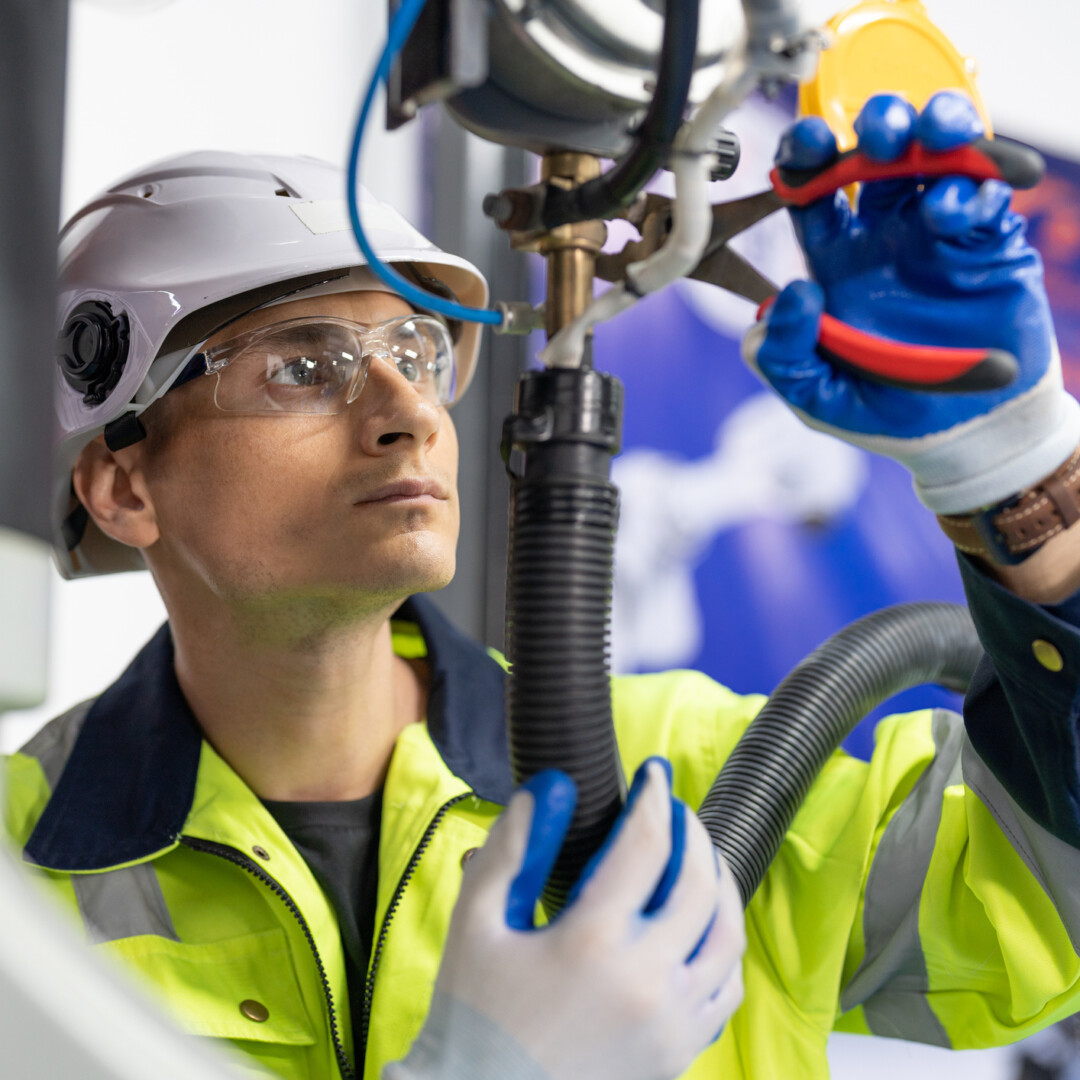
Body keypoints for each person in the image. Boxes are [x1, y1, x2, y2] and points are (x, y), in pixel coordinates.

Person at [5, 88, 1080, 1080]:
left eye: (418, 352)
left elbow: (1040, 902)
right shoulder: (23, 887)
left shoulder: (682, 782)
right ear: (122, 486)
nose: (410, 412)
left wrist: (1025, 481)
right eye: (302, 364)